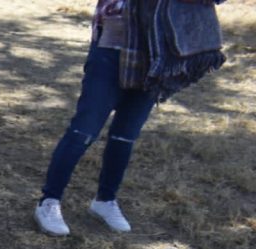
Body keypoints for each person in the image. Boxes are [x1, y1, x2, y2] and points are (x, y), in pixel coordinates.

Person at [34, 0, 226, 236]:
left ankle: (105, 200)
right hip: (110, 47)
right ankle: (49, 201)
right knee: (83, 130)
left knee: (125, 135)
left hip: (158, 50)